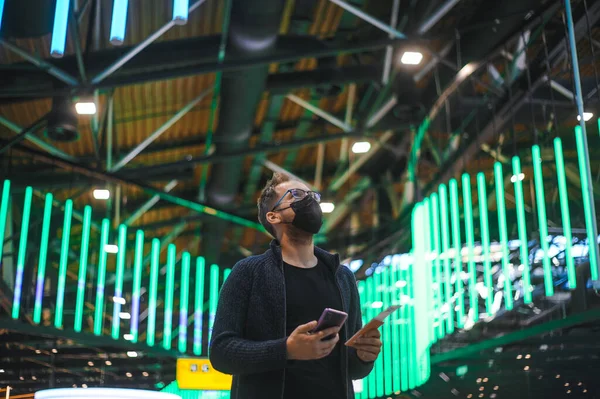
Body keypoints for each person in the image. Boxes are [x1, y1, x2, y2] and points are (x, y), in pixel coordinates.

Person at [210, 173, 382, 399]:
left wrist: (363, 356)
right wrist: (286, 350)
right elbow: (222, 353)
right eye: (297, 195)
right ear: (273, 217)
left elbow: (351, 369)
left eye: (313, 196)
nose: (309, 201)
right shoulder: (248, 272)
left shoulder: (343, 277)